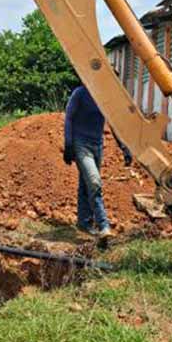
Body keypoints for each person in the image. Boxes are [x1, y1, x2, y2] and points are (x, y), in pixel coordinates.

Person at [63, 84, 132, 237]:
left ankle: (84, 222)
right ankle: (103, 225)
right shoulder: (80, 93)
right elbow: (69, 117)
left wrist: (123, 147)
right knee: (94, 182)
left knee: (86, 183)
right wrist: (68, 145)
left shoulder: (105, 98)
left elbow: (113, 124)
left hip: (97, 145)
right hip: (80, 144)